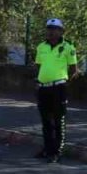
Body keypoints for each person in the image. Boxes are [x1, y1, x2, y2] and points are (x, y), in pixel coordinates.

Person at [35, 18, 80, 163]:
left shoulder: (68, 47)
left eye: (54, 29)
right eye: (48, 28)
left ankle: (56, 151)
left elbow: (73, 69)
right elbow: (39, 65)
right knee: (46, 120)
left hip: (58, 87)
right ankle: (47, 148)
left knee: (58, 120)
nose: (51, 32)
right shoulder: (41, 47)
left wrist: (65, 84)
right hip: (43, 87)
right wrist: (39, 80)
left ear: (61, 31)